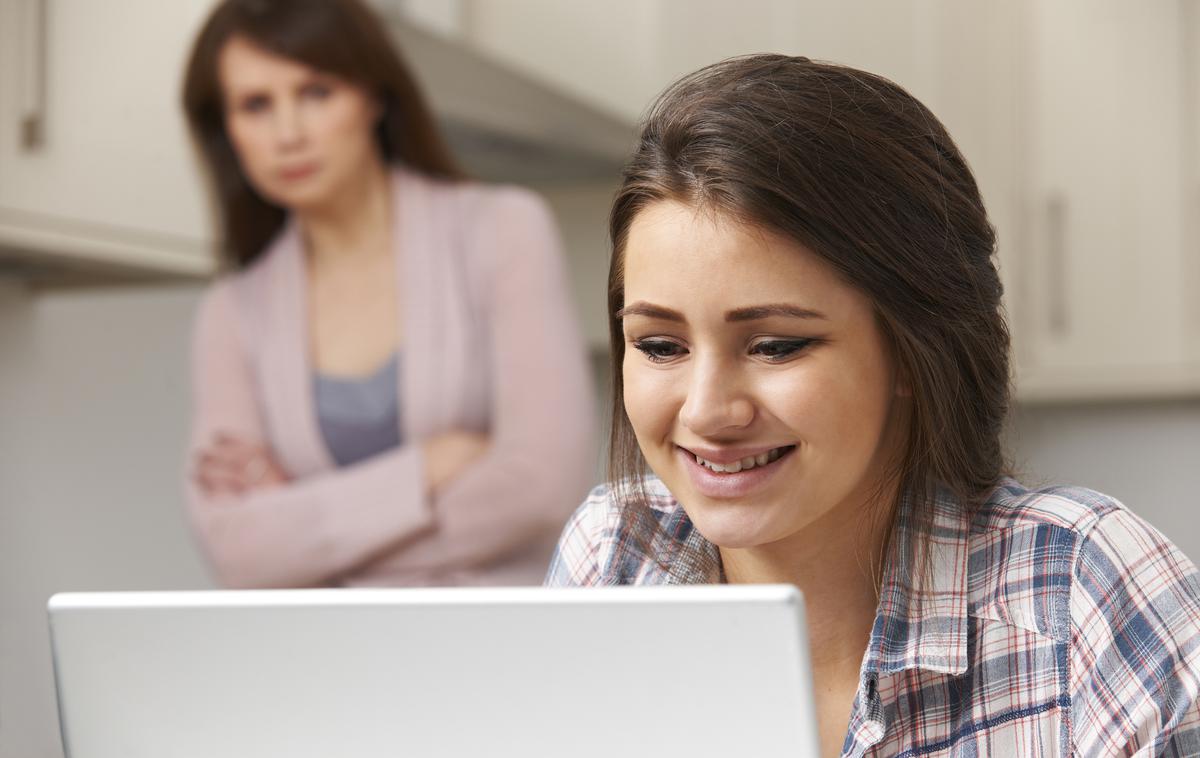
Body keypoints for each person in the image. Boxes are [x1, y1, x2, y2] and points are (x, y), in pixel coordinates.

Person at [546, 55, 1200, 757]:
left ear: (913, 351)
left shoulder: (1081, 591)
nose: (707, 412)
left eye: (775, 345)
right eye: (661, 346)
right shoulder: (617, 552)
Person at [181, 0, 595, 589]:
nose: (289, 133)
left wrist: (310, 540)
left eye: (317, 92)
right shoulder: (231, 313)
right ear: (227, 131)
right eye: (255, 105)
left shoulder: (504, 230)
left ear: (373, 94)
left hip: (504, 653)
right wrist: (424, 470)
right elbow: (239, 551)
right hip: (324, 667)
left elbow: (543, 487)